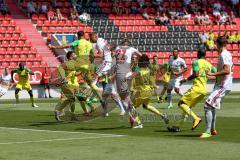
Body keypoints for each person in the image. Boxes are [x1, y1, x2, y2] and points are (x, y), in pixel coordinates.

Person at [49, 31, 104, 110]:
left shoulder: (78, 41)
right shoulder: (89, 44)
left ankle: (64, 79)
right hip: (88, 64)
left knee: (61, 67)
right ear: (84, 35)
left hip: (79, 62)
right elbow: (92, 55)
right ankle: (101, 98)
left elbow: (67, 45)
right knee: (91, 83)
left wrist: (55, 47)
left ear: (78, 36)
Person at [167, 48, 216, 132]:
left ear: (197, 54)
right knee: (187, 107)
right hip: (204, 90)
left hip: (196, 88)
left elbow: (195, 74)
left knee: (181, 104)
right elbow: (216, 74)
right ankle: (178, 126)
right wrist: (208, 76)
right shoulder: (209, 64)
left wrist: (185, 79)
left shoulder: (196, 62)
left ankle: (196, 118)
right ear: (205, 55)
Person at [201, 36, 233, 138]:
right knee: (212, 106)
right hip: (221, 84)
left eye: (216, 44)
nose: (215, 46)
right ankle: (212, 129)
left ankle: (208, 131)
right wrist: (212, 76)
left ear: (219, 44)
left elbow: (227, 70)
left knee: (207, 105)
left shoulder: (224, 54)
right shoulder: (225, 54)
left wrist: (212, 74)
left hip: (223, 85)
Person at [127, 54, 169, 128]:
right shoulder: (148, 70)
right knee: (146, 106)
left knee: (131, 107)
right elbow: (151, 81)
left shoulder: (139, 70)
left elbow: (131, 77)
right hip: (149, 91)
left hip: (142, 91)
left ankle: (139, 123)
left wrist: (126, 79)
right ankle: (162, 115)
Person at [114, 38, 142, 127]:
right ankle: (133, 118)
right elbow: (140, 55)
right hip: (127, 72)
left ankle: (136, 119)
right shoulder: (131, 49)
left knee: (123, 98)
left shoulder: (117, 48)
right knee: (125, 99)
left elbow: (113, 57)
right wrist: (136, 60)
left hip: (121, 73)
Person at [54, 51, 80, 121]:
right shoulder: (70, 63)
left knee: (71, 100)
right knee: (73, 99)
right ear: (71, 57)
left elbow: (74, 73)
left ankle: (59, 110)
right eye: (74, 54)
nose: (76, 55)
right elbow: (60, 67)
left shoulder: (73, 64)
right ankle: (71, 115)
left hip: (71, 84)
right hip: (70, 84)